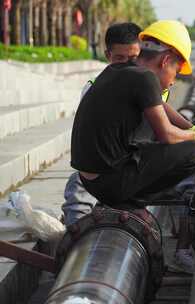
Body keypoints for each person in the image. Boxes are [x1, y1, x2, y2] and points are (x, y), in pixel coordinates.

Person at [70, 19, 195, 216]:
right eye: (175, 72)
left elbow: (160, 105)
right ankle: (134, 203)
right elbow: (166, 134)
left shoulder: (123, 70)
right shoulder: (145, 78)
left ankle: (130, 199)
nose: (174, 80)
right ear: (165, 60)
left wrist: (190, 126)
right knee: (193, 152)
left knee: (177, 142)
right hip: (109, 182)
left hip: (90, 179)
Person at [62, 22, 143, 225]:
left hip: (127, 166)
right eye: (120, 59)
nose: (127, 66)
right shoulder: (94, 90)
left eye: (134, 59)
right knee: (79, 192)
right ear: (108, 56)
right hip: (99, 168)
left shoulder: (148, 87)